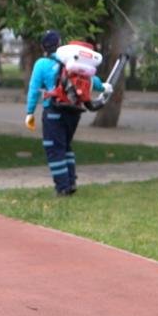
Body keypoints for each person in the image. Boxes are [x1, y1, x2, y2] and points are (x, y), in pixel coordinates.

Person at [25, 30, 112, 196]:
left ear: (43, 46)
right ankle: (70, 182)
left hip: (54, 110)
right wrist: (104, 86)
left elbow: (34, 89)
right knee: (65, 147)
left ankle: (62, 187)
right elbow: (90, 79)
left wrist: (30, 112)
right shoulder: (71, 61)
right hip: (74, 111)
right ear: (59, 44)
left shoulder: (42, 64)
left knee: (54, 148)